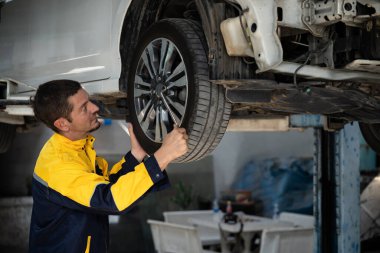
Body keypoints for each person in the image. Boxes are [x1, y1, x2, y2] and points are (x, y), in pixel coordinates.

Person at [29, 80, 188, 253]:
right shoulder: (58, 166)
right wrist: (163, 156)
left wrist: (136, 156)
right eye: (84, 107)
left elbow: (106, 186)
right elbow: (110, 199)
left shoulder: (77, 148)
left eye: (89, 100)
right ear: (62, 124)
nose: (94, 107)